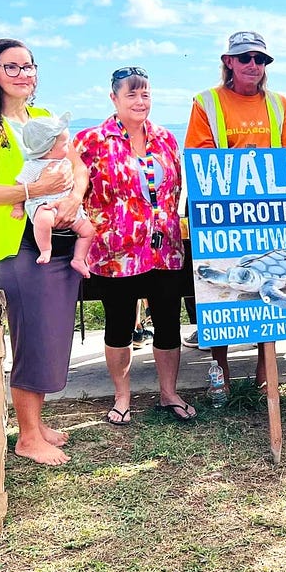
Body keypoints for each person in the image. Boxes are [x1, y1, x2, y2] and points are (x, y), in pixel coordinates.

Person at [0, 38, 88, 465]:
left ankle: (37, 423)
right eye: (11, 67)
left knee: (49, 331)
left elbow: (79, 168)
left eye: (28, 66)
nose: (23, 74)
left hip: (58, 238)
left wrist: (73, 200)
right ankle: (28, 435)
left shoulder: (42, 117)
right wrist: (36, 189)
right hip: (16, 243)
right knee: (32, 333)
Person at [74, 66, 195, 425]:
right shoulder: (91, 141)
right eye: (132, 94)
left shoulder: (166, 139)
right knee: (119, 324)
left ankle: (169, 393)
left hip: (165, 249)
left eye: (145, 94)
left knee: (170, 323)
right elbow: (71, 190)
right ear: (114, 98)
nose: (140, 101)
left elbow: (175, 192)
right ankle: (122, 396)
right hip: (115, 254)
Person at [184, 31, 286, 390]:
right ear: (228, 62)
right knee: (217, 291)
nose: (254, 65)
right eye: (246, 58)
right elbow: (199, 158)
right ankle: (220, 369)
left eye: (261, 59)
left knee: (268, 290)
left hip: (269, 214)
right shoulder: (206, 101)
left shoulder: (280, 104)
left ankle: (267, 370)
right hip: (220, 213)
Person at [12, 114, 94, 276]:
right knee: (43, 219)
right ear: (49, 149)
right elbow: (20, 185)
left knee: (88, 230)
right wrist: (17, 208)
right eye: (64, 144)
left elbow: (79, 171)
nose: (69, 147)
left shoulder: (65, 162)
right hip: (44, 205)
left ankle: (78, 258)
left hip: (68, 205)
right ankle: (45, 249)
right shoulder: (33, 166)